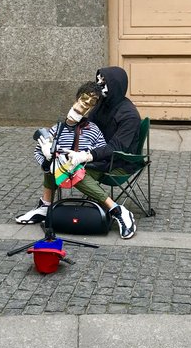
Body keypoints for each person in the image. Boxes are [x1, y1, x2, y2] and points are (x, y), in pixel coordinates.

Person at [16, 67, 140, 239]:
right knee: (55, 159)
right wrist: (59, 135)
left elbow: (116, 147)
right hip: (98, 154)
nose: (100, 86)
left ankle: (118, 210)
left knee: (69, 170)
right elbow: (86, 124)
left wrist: (85, 156)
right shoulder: (103, 103)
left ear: (115, 86)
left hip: (118, 163)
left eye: (104, 83)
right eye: (99, 81)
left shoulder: (129, 115)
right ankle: (45, 205)